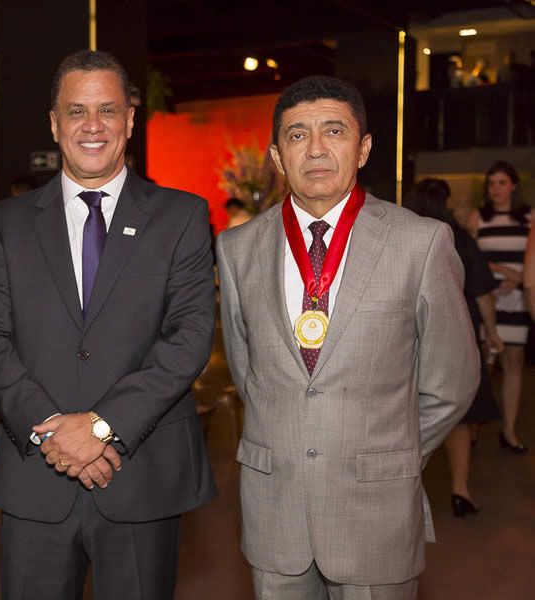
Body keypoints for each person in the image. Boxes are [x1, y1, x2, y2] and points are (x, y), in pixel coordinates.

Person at [216, 76, 479, 599]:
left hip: (375, 511)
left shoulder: (420, 243)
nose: (314, 148)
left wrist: (389, 453)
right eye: (296, 135)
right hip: (275, 512)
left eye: (333, 131)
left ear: (363, 149)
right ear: (275, 155)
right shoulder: (237, 248)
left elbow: (452, 381)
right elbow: (251, 376)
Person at [0, 49, 217, 600]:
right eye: (76, 111)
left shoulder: (181, 216)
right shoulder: (9, 223)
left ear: (130, 120)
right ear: (54, 122)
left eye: (107, 110)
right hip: (37, 476)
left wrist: (103, 425)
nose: (92, 126)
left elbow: (190, 334)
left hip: (142, 478)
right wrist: (53, 426)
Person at [404, 178, 502, 517]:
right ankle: (460, 489)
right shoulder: (455, 237)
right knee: (458, 410)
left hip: (407, 336)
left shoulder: (399, 235)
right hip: (454, 332)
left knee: (407, 409)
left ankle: (405, 483)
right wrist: (491, 331)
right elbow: (481, 291)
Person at [467, 160, 530, 453]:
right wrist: (498, 272)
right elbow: (468, 260)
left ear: (513, 186)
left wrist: (515, 278)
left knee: (514, 363)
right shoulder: (478, 217)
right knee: (483, 365)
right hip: (487, 301)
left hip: (517, 300)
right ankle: (473, 430)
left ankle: (509, 430)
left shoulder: (528, 218)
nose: (496, 189)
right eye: (491, 183)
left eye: (502, 183)